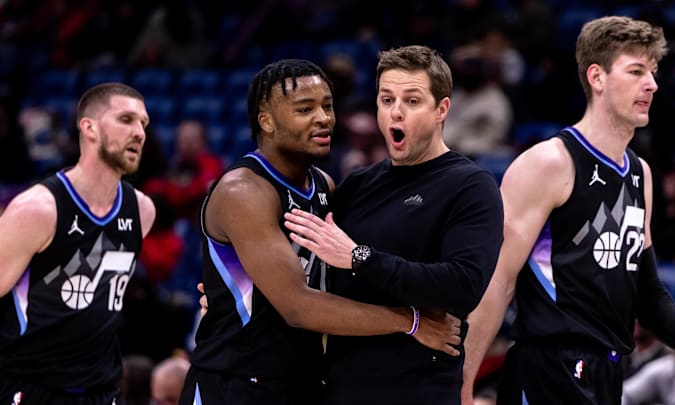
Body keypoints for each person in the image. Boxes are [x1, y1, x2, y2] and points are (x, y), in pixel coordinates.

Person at [460, 16, 675, 405]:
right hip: (549, 369)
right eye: (636, 71)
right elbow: (497, 282)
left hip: (609, 372)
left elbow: (647, 293)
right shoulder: (550, 162)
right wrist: (462, 383)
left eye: (652, 72)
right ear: (596, 77)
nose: (652, 84)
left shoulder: (640, 173)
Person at [179, 58, 462, 405]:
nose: (324, 118)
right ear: (266, 121)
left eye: (327, 106)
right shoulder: (245, 191)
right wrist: (412, 321)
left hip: (305, 381)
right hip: (235, 382)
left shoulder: (323, 185)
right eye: (305, 109)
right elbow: (298, 307)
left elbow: (343, 271)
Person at [284, 45, 504, 404]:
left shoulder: (471, 186)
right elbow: (313, 275)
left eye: (412, 101)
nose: (395, 113)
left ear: (441, 110)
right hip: (341, 387)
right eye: (386, 100)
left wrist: (360, 257)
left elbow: (463, 286)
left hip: (419, 389)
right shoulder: (357, 185)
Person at [0, 82, 156, 404]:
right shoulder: (37, 210)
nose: (139, 132)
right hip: (30, 388)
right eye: (126, 120)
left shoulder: (142, 211)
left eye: (144, 123)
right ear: (89, 128)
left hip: (102, 390)